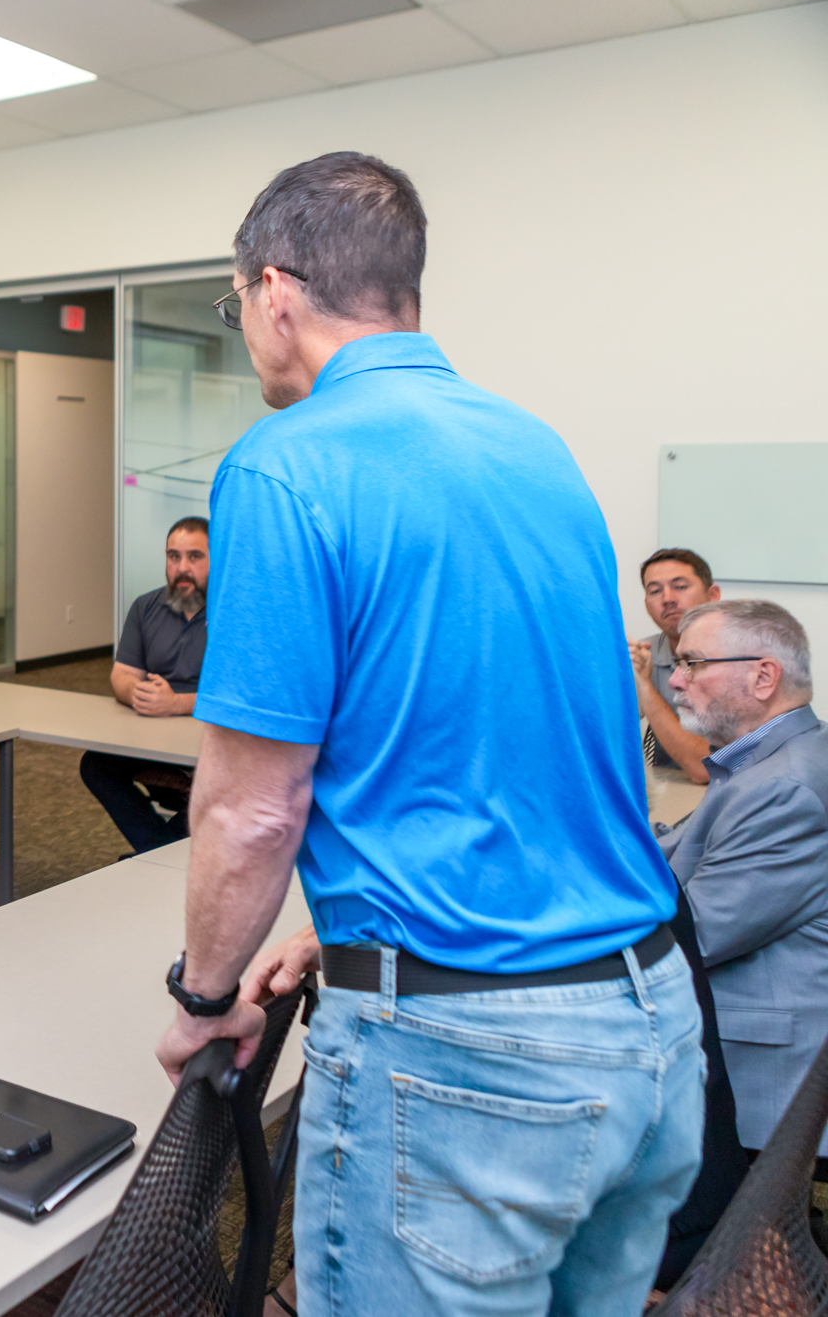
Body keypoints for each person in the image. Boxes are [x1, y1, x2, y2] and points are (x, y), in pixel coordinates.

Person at [153, 152, 701, 1316]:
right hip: (647, 1028)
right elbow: (515, 738)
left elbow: (253, 807)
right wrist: (336, 919)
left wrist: (207, 1000)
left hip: (469, 1064)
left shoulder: (285, 464)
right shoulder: (533, 449)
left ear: (273, 292)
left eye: (234, 303)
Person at [657, 600, 828, 1157]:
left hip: (759, 1079)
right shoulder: (772, 757)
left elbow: (695, 935)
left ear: (762, 676)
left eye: (694, 664)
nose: (677, 681)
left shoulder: (785, 786)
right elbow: (685, 848)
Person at [79, 517, 209, 854]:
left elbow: (242, 696)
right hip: (153, 735)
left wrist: (176, 703)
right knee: (96, 765)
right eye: (173, 557)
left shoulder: (238, 614)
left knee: (235, 780)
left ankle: (155, 855)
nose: (182, 568)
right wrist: (135, 692)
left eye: (195, 557)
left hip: (211, 741)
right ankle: (160, 851)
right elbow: (122, 673)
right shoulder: (145, 607)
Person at [632, 548, 722, 783]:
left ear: (712, 595)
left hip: (736, 793)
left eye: (680, 586)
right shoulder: (641, 654)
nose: (668, 598)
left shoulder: (740, 657)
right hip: (670, 791)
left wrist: (645, 689)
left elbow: (706, 769)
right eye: (655, 590)